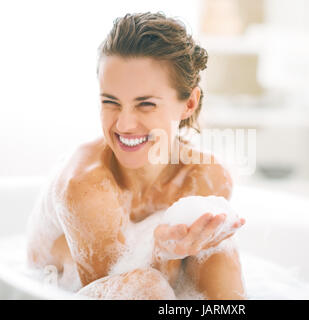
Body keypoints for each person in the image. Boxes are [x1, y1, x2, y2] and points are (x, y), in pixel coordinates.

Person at [26, 12, 247, 300]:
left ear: (188, 104)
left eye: (145, 104)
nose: (124, 124)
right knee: (146, 285)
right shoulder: (86, 187)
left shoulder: (207, 179)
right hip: (54, 289)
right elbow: (120, 287)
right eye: (111, 102)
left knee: (222, 252)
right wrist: (161, 251)